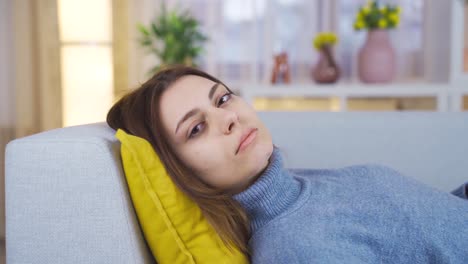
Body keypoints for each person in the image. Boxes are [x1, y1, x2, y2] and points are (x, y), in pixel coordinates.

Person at [107, 66, 468, 263]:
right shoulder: (296, 249)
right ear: (178, 171)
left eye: (223, 98)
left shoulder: (301, 189)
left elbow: (425, 229)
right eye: (197, 128)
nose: (228, 118)